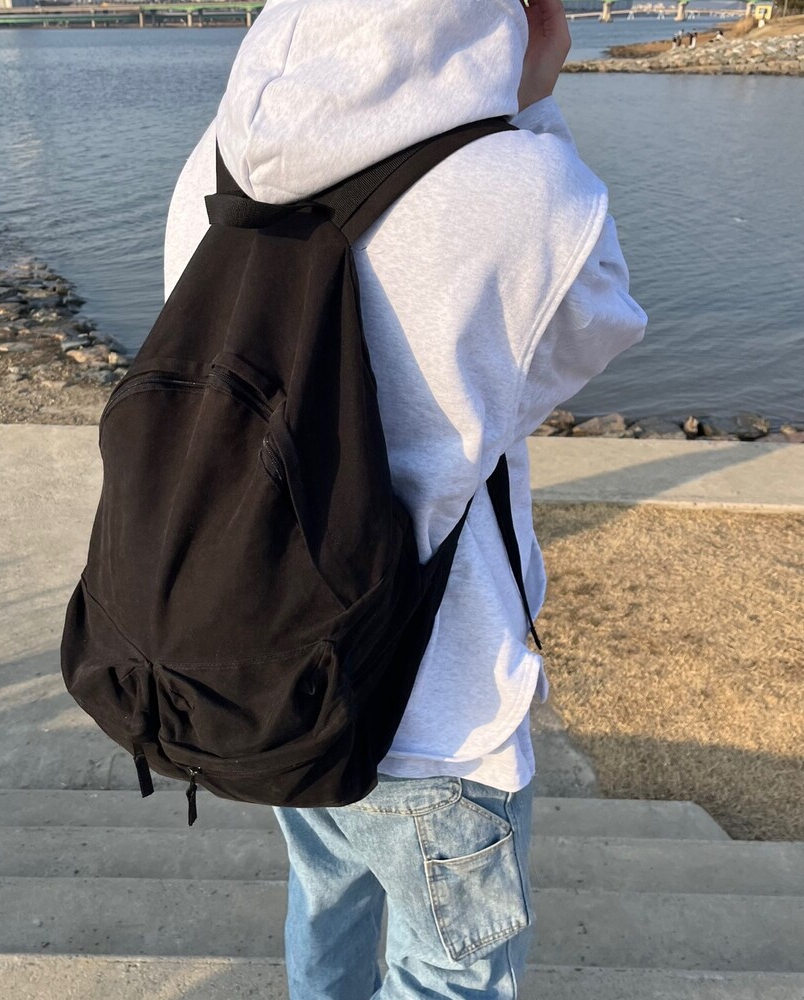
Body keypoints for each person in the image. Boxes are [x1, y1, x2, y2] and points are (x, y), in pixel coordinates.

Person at [164, 0, 646, 995]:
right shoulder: (525, 185)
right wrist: (528, 105)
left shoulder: (218, 153)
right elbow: (594, 326)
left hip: (276, 659)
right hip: (437, 700)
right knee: (449, 976)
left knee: (326, 906)